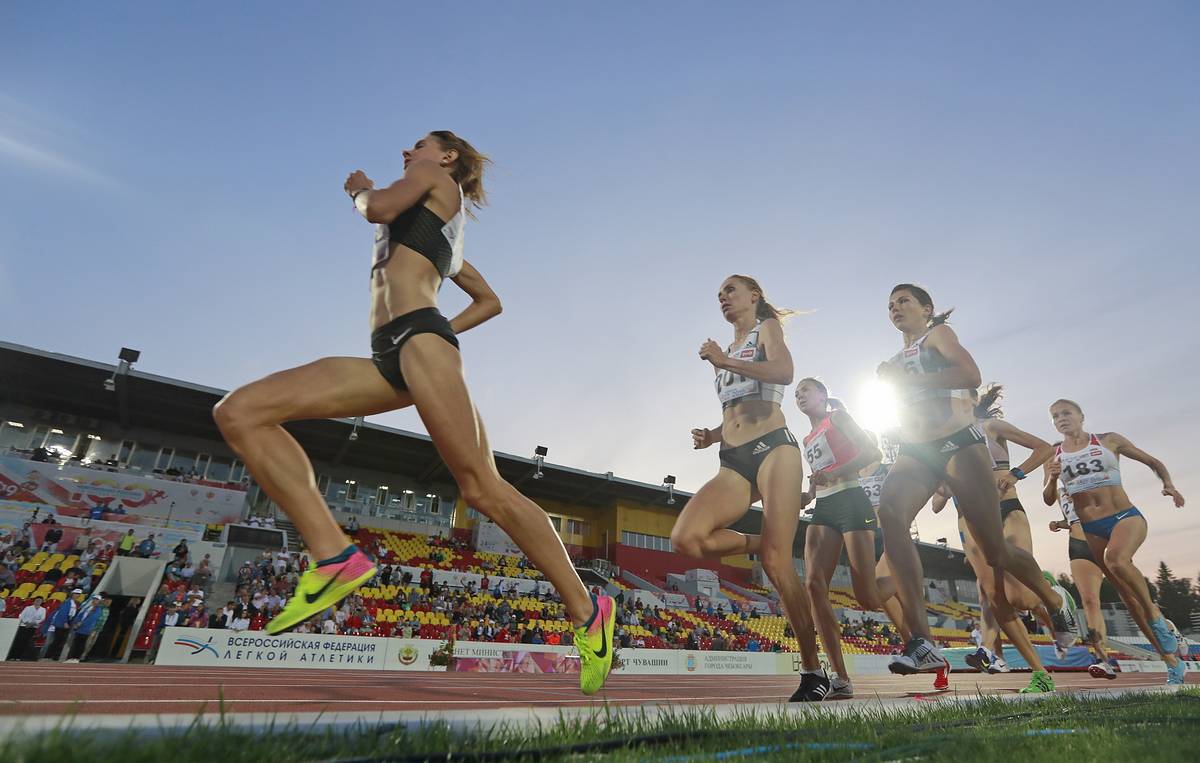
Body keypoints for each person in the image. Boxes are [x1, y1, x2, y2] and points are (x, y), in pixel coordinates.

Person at [212, 131, 615, 695]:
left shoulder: (432, 179)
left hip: (420, 344)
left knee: (482, 490)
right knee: (242, 411)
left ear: (447, 156)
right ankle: (332, 555)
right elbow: (488, 299)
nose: (407, 150)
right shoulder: (440, 226)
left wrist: (359, 190)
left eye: (420, 143)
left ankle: (587, 610)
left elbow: (375, 206)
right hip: (387, 352)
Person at [875, 284, 1076, 694]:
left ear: (926, 309)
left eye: (904, 301)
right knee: (891, 513)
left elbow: (970, 375)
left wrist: (911, 383)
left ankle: (1054, 601)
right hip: (919, 449)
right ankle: (922, 641)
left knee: (996, 551)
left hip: (958, 443)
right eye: (890, 304)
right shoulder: (896, 359)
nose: (895, 308)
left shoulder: (939, 336)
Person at [669, 275, 827, 701]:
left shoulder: (765, 329)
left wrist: (725, 362)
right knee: (686, 538)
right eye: (718, 293)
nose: (722, 297)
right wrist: (714, 435)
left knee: (778, 566)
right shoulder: (728, 350)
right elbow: (737, 409)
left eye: (730, 290)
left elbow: (784, 373)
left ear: (753, 296)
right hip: (733, 459)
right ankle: (761, 541)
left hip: (774, 447)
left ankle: (814, 671)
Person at [1048, 398, 1187, 685]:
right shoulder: (1055, 454)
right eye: (1055, 416)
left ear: (1081, 416)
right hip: (1090, 529)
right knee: (1127, 599)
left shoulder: (1108, 440)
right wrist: (1051, 479)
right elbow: (1049, 498)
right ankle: (1172, 662)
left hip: (1124, 516)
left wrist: (1168, 484)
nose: (1061, 419)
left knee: (1117, 560)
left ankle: (1158, 619)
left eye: (1066, 413)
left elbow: (1152, 461)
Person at [794, 378, 895, 699]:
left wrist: (837, 472)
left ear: (823, 395)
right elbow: (820, 472)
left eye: (805, 390)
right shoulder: (807, 437)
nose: (799, 396)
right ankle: (840, 677)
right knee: (813, 585)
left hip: (851, 501)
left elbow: (871, 451)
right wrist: (808, 493)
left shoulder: (836, 418)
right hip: (824, 507)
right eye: (796, 394)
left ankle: (903, 575)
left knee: (867, 597)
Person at [1044, 471, 1132, 679]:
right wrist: (1059, 524)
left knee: (1133, 599)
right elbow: (1072, 519)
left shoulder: (1092, 480)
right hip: (1078, 545)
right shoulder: (1059, 492)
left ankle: (1167, 629)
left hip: (1102, 539)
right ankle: (1103, 659)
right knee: (1090, 601)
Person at [14, 596, 47, 660]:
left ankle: (24, 657)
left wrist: (33, 623)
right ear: (34, 601)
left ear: (42, 602)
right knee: (20, 641)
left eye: (40, 601)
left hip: (33, 627)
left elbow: (42, 618)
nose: (38, 602)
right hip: (24, 626)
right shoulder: (28, 608)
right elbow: (21, 616)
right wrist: (26, 623)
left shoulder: (43, 609)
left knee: (28, 642)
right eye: (37, 600)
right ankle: (16, 656)